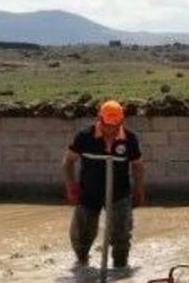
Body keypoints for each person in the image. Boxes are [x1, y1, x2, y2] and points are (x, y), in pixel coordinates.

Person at [62, 100, 145, 268]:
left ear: (121, 122)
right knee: (81, 233)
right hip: (89, 192)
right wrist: (71, 186)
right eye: (107, 125)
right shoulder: (84, 137)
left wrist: (138, 189)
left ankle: (120, 267)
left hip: (119, 193)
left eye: (115, 126)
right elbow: (68, 162)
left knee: (121, 234)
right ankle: (82, 262)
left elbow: (137, 166)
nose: (110, 130)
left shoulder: (130, 139)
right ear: (99, 119)